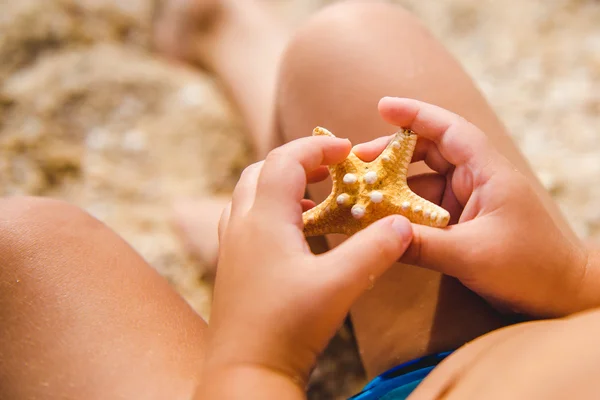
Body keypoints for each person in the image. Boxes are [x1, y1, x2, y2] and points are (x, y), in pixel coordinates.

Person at [1, 1, 598, 399]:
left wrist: (257, 359)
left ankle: (276, 235)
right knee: (349, 43)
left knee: (22, 248)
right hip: (506, 341)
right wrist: (573, 275)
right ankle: (293, 224)